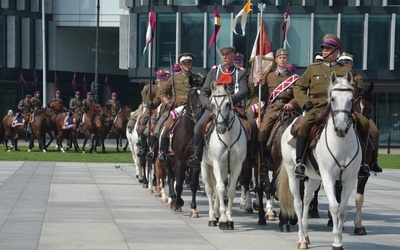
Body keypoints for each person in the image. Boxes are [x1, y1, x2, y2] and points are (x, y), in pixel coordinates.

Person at [293, 34, 370, 179]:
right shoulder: (313, 68)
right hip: (317, 105)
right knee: (304, 125)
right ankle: (300, 163)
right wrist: (305, 103)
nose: (324, 51)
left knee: (364, 123)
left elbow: (352, 90)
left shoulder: (345, 70)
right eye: (324, 48)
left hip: (339, 107)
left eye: (328, 49)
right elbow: (298, 86)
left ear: (336, 52)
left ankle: (362, 163)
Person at [187, 46, 257, 169]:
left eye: (227, 54)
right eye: (222, 54)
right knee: (198, 126)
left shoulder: (240, 72)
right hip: (214, 107)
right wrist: (208, 105)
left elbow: (244, 90)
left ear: (233, 56)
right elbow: (204, 91)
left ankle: (251, 155)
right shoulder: (214, 71)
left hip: (234, 107)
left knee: (252, 124)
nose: (224, 56)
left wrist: (229, 100)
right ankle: (196, 156)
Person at [257, 48, 300, 175]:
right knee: (263, 131)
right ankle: (263, 162)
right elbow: (261, 94)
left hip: (289, 108)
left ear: (287, 60)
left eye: (285, 57)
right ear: (276, 60)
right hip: (273, 108)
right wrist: (257, 82)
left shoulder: (293, 78)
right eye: (280, 58)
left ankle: (300, 161)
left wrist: (292, 104)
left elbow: (298, 95)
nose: (282, 59)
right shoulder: (268, 76)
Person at [338, 52, 383, 173]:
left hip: (354, 110)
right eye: (342, 63)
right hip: (337, 109)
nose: (345, 65)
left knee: (374, 131)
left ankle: (372, 161)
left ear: (351, 64)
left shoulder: (357, 77)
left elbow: (359, 92)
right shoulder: (333, 76)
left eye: (347, 63)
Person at [156, 53, 204, 163]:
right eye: (185, 63)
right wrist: (167, 102)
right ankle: (162, 151)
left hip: (195, 107)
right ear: (181, 65)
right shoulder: (174, 78)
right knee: (165, 125)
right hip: (178, 107)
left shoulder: (198, 78)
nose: (187, 65)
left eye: (189, 63)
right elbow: (162, 92)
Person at [136, 70, 169, 158]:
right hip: (153, 108)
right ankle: (142, 147)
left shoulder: (168, 85)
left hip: (165, 108)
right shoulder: (152, 87)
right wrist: (146, 102)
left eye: (162, 77)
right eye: (159, 77)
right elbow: (143, 93)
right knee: (143, 126)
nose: (160, 79)